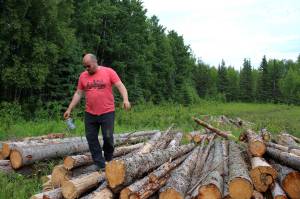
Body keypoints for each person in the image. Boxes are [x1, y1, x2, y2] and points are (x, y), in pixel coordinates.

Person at [64, 53, 131, 170]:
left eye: (88, 66)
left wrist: (125, 99)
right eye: (84, 66)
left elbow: (120, 85)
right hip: (90, 114)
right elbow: (79, 93)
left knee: (108, 138)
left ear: (95, 62)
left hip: (107, 112)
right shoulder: (83, 76)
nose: (86, 69)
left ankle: (109, 159)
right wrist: (69, 108)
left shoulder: (109, 72)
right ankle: (99, 164)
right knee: (91, 138)